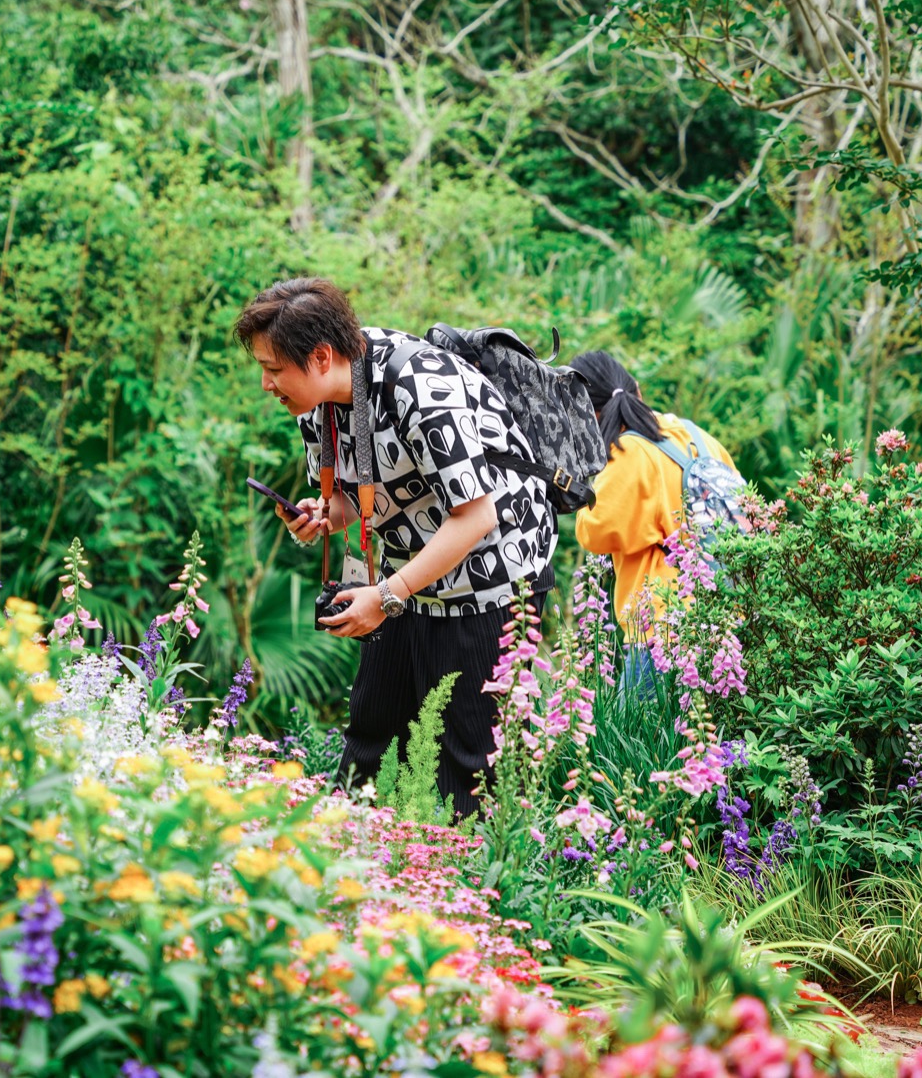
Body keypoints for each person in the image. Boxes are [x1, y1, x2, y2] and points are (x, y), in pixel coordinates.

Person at [235, 278, 556, 816]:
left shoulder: (417, 385)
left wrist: (387, 596)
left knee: (467, 764)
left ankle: (470, 887)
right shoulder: (316, 403)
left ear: (319, 357)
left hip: (494, 574)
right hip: (408, 573)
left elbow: (475, 516)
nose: (266, 383)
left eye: (273, 369)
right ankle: (356, 878)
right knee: (371, 739)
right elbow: (351, 499)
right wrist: (322, 515)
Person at [569, 350, 739, 639]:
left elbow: (595, 532)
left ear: (588, 413)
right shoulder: (696, 435)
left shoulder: (628, 453)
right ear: (636, 390)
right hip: (728, 612)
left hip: (664, 627)